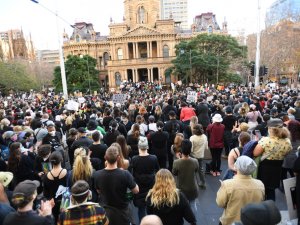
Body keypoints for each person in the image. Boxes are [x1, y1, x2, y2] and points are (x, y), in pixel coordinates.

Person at [93, 145, 139, 225]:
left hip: (106, 213)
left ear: (105, 157)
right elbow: (136, 190)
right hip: (122, 213)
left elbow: (98, 191)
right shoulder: (125, 174)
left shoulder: (97, 174)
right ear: (118, 158)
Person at [216, 156, 265, 225]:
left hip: (230, 221)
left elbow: (220, 203)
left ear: (237, 167)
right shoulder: (260, 184)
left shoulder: (227, 184)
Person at [253, 118, 292, 201]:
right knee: (271, 191)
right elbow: (286, 153)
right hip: (277, 169)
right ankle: (271, 209)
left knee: (262, 190)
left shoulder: (265, 140)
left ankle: (262, 210)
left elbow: (255, 153)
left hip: (264, 169)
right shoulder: (287, 141)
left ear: (271, 129)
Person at [131, 136, 160, 223]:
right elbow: (158, 171)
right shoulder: (153, 158)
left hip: (139, 187)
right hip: (151, 186)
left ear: (139, 147)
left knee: (141, 210)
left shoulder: (134, 159)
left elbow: (133, 173)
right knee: (152, 209)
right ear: (147, 147)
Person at [172, 140, 199, 214]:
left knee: (179, 206)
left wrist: (178, 158)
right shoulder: (195, 161)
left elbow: (174, 173)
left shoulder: (176, 162)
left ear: (182, 149)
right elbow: (196, 171)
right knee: (193, 205)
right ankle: (193, 220)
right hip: (192, 188)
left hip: (181, 189)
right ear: (190, 149)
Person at [43, 151, 67, 223]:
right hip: (66, 202)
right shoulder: (67, 172)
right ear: (61, 159)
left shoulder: (46, 176)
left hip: (53, 204)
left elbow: (46, 194)